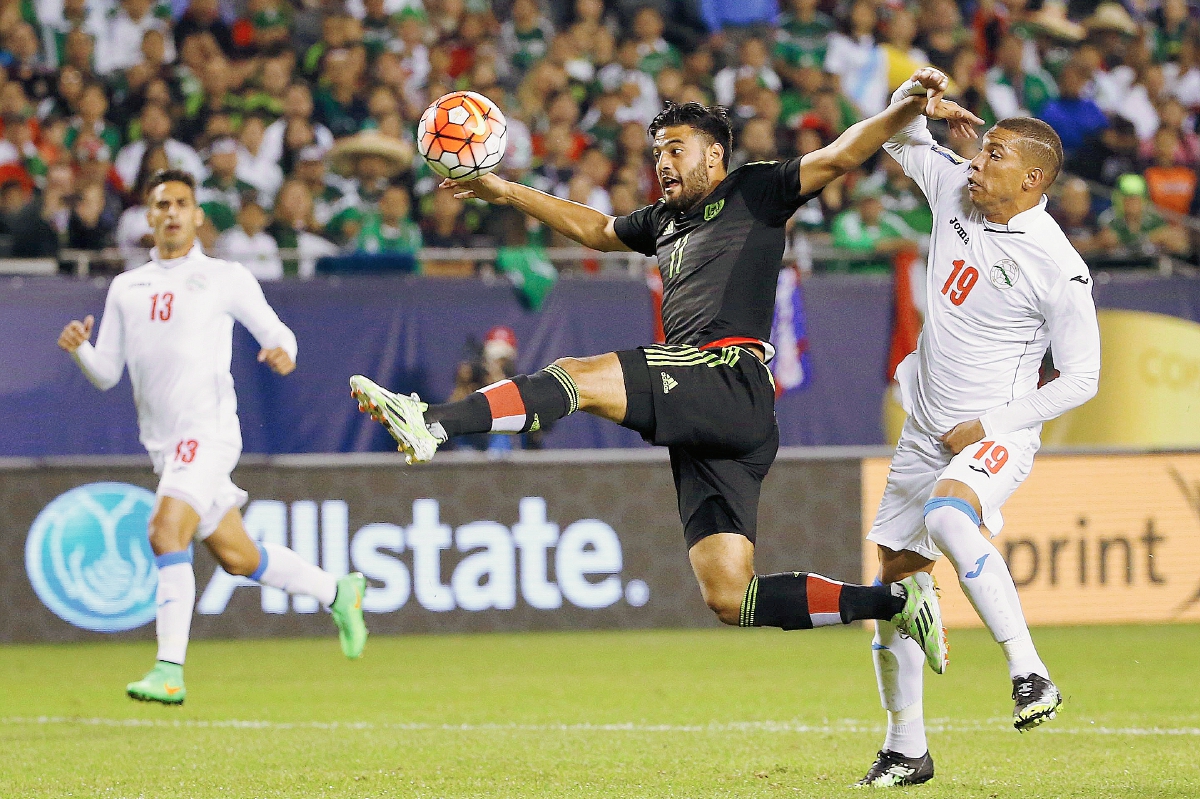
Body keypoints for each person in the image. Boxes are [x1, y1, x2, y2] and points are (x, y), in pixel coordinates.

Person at [350, 70, 986, 673]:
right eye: (657, 151)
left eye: (676, 150)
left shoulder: (755, 191)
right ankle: (898, 602)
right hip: (716, 417)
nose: (662, 163)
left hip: (725, 374)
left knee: (578, 375)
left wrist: (906, 107)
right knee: (729, 596)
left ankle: (432, 422)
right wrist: (505, 190)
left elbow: (841, 155)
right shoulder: (662, 222)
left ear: (714, 157)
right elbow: (598, 230)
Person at [854, 69, 1102, 787]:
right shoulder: (954, 190)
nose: (977, 160)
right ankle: (907, 748)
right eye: (981, 146)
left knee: (951, 518)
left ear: (1032, 179)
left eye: (995, 153)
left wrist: (990, 422)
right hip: (925, 424)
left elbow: (1082, 377)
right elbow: (898, 137)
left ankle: (1029, 671)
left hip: (996, 430)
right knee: (894, 588)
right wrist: (917, 98)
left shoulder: (1059, 266)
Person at [56, 169, 367, 706]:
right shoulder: (126, 287)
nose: (172, 212)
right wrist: (83, 349)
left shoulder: (225, 277)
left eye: (181, 203)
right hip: (164, 444)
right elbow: (108, 372)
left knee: (163, 531)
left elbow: (276, 331)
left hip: (208, 431)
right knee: (238, 557)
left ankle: (169, 669)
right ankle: (338, 591)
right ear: (148, 218)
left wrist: (283, 351)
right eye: (162, 204)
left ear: (197, 215)